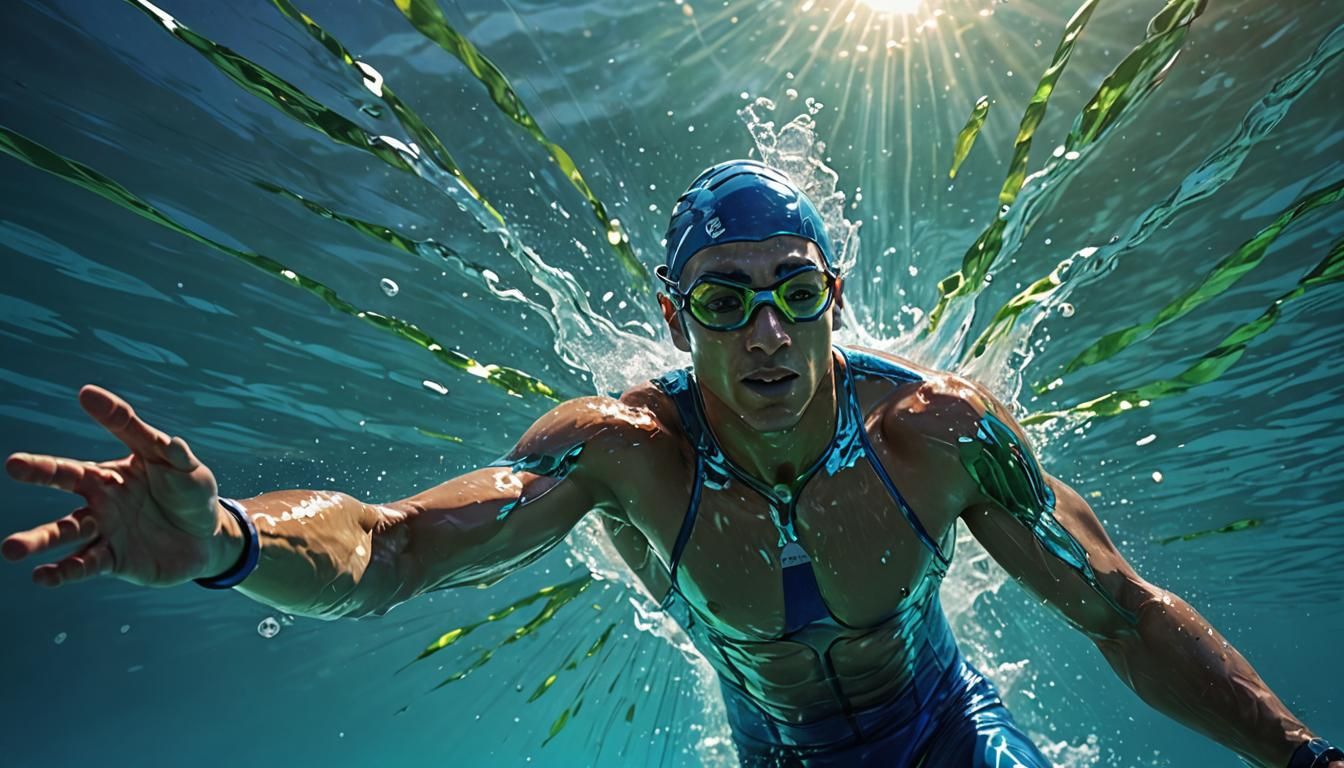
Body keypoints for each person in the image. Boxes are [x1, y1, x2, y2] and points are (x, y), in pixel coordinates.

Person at [3, 160, 1338, 768]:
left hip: (951, 733)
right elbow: (394, 547)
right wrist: (230, 541)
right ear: (673, 319)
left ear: (834, 295)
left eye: (792, 293)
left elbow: (1115, 604)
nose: (764, 330)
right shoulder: (626, 458)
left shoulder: (939, 438)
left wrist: (1296, 755)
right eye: (722, 300)